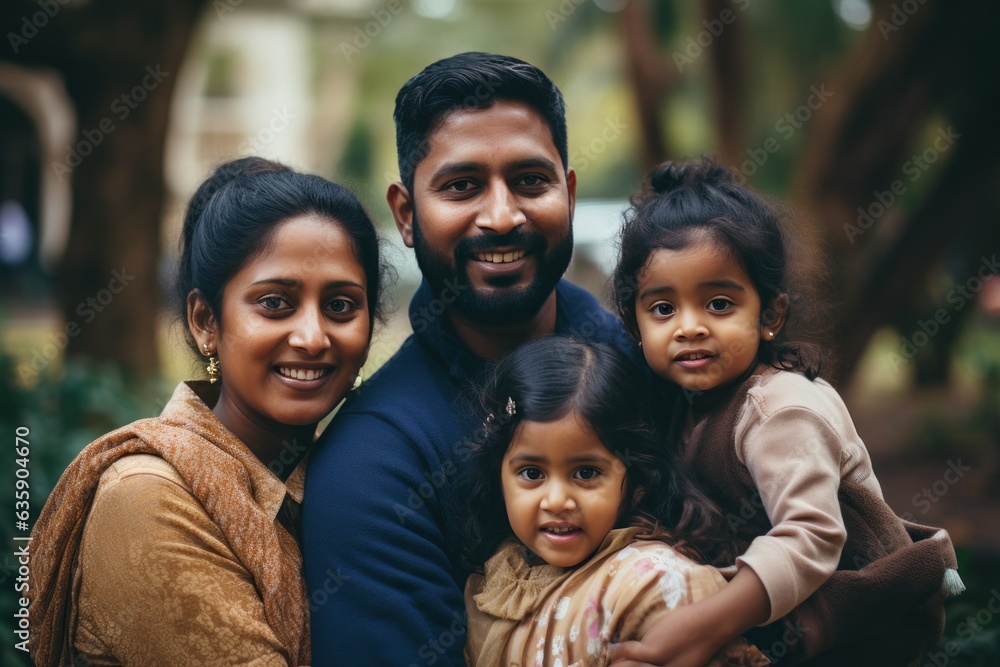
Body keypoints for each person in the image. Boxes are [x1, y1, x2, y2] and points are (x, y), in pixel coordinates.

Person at [303, 52, 639, 666]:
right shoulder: (375, 466)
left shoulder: (652, 362)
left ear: (567, 192)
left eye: (530, 182)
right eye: (462, 187)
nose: (502, 216)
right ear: (406, 214)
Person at [28, 156, 386, 667]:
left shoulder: (334, 476)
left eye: (341, 305)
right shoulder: (149, 498)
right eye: (275, 303)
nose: (313, 337)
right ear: (204, 321)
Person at [608, 157, 964, 666]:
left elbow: (811, 537)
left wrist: (704, 625)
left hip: (859, 623)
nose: (689, 327)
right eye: (663, 308)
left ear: (770, 314)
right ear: (635, 321)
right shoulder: (680, 406)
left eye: (719, 304)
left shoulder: (780, 407)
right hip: (774, 614)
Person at [461, 335, 768, 666]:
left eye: (587, 473)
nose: (557, 501)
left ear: (638, 481)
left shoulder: (656, 584)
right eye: (532, 474)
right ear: (499, 476)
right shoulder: (490, 581)